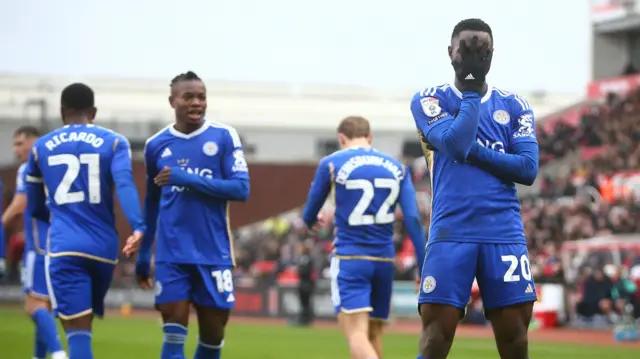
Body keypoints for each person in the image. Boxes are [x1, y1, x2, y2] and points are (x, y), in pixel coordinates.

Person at [410, 18, 539, 359]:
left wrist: (475, 152)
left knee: (515, 341)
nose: (473, 55)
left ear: (493, 53)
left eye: (481, 48)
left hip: (503, 233)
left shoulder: (515, 105)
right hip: (451, 230)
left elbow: (527, 169)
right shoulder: (429, 99)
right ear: (449, 53)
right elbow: (453, 144)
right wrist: (470, 88)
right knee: (436, 338)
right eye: (465, 48)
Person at [25, 83, 145, 359]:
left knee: (76, 333)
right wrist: (138, 226)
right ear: (93, 111)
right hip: (103, 250)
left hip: (65, 246)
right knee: (84, 326)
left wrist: (53, 219)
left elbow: (34, 208)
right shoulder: (114, 142)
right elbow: (125, 184)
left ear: (62, 111)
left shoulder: (39, 148)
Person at [136, 71, 250, 359]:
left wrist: (187, 178)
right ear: (173, 101)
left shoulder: (223, 136)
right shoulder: (156, 144)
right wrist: (142, 255)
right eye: (189, 97)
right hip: (171, 254)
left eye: (201, 97)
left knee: (212, 337)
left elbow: (241, 189)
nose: (197, 103)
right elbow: (151, 202)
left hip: (213, 252)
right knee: (173, 333)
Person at [302, 116, 426, 359]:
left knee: (356, 334)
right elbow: (412, 220)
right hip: (384, 260)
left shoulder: (332, 162)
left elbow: (310, 212)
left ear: (341, 138)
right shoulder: (398, 168)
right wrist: (423, 268)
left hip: (350, 256)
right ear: (370, 138)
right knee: (374, 334)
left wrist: (309, 222)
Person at [3, 126, 68, 359]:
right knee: (45, 306)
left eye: (21, 143)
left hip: (38, 244)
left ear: (34, 142)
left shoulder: (28, 167)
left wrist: (2, 222)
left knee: (33, 305)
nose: (16, 149)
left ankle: (59, 354)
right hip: (60, 241)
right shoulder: (55, 165)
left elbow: (20, 203)